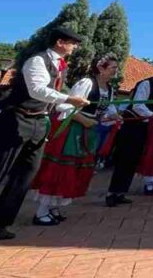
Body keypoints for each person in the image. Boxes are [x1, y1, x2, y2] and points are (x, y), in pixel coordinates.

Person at [0, 27, 88, 248]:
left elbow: (52, 98)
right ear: (60, 42)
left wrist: (72, 104)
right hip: (16, 119)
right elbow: (37, 90)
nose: (75, 47)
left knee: (25, 175)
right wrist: (68, 98)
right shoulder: (37, 61)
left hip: (39, 121)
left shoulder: (60, 66)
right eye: (73, 43)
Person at [31, 54, 120, 225]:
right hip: (73, 130)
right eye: (113, 68)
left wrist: (115, 116)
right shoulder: (87, 83)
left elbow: (107, 109)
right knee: (61, 168)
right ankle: (42, 211)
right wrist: (84, 120)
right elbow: (65, 105)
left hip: (89, 131)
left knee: (75, 169)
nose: (115, 71)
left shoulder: (109, 89)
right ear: (101, 68)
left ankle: (54, 208)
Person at [106, 61, 153, 207]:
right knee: (125, 159)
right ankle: (112, 193)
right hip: (132, 126)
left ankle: (121, 192)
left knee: (133, 160)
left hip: (143, 127)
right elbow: (138, 105)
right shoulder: (147, 84)